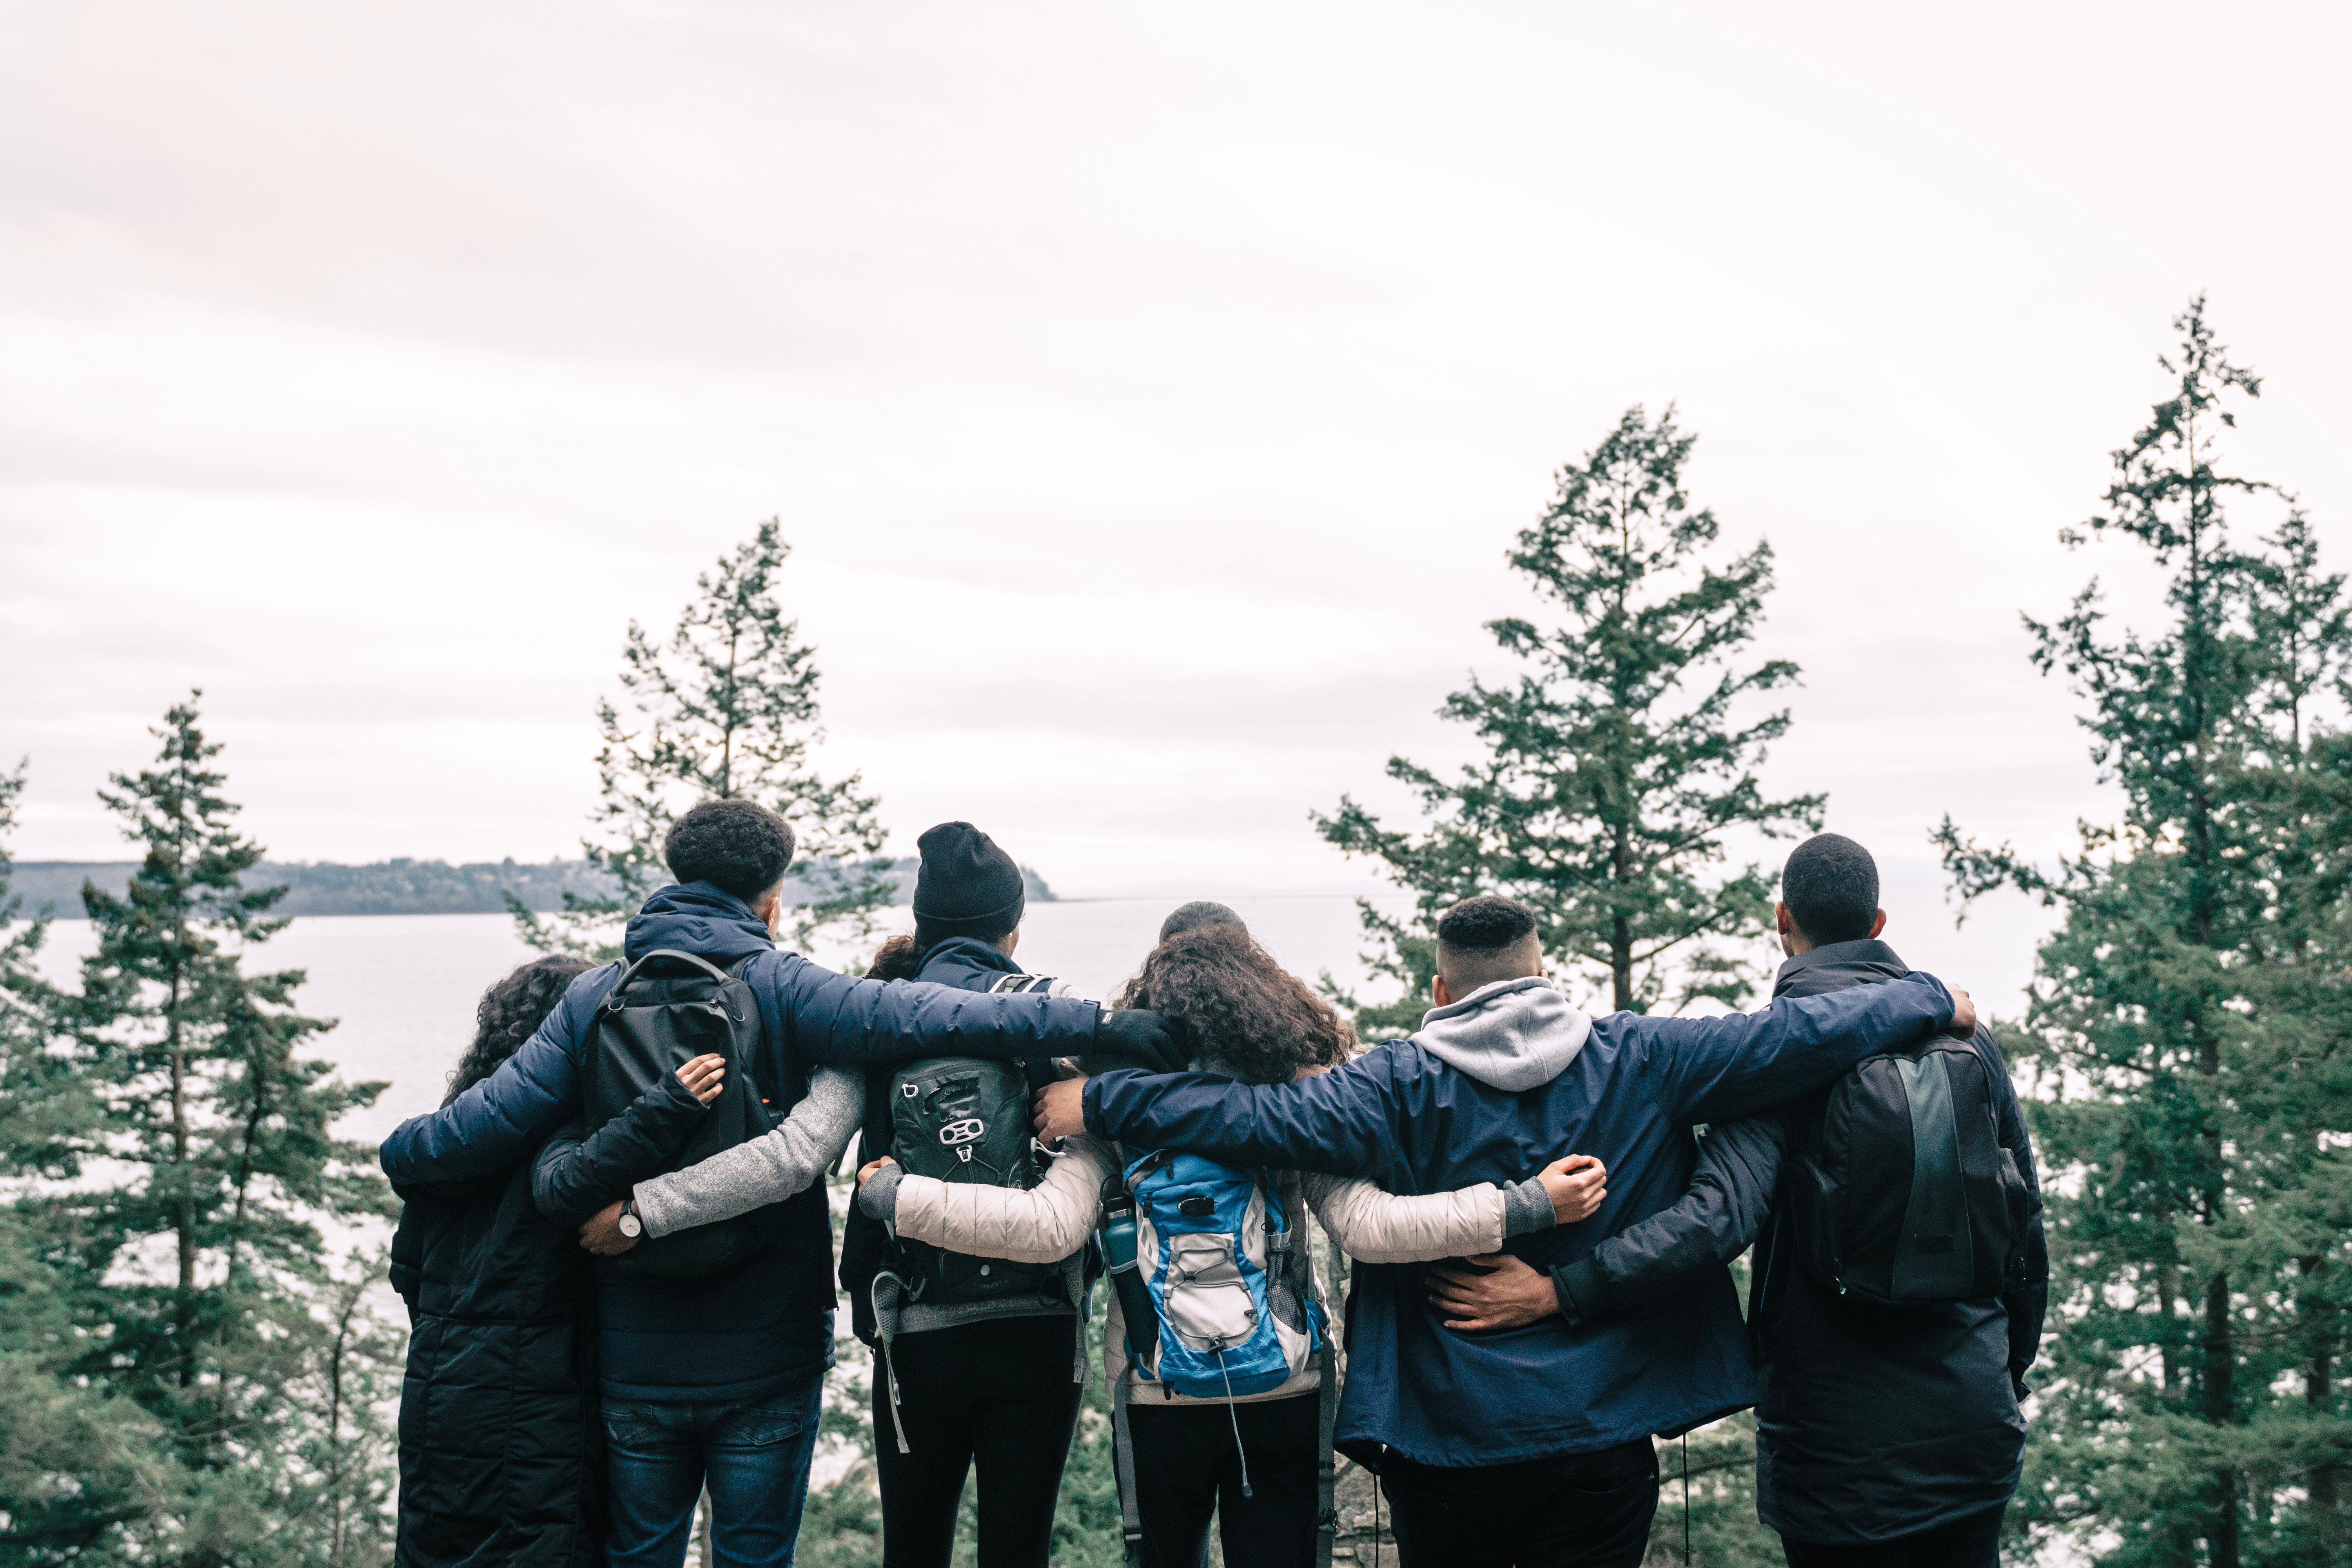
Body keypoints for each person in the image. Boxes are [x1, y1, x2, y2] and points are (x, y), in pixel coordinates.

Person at [1038, 893, 1978, 1568]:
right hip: (1603, 1431)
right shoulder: (1645, 1056)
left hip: (1447, 1439)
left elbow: (1248, 1118)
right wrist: (1926, 997)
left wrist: (1107, 1094)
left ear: (1441, 990)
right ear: (1544, 977)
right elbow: (1796, 1037)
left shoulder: (1390, 1086)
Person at [378, 799, 1183, 1568]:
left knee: (639, 1554)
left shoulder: (593, 995)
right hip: (769, 1351)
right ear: (772, 902)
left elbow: (468, 1134)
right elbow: (932, 1013)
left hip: (637, 1354)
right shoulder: (786, 986)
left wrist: (403, 1146)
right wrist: (1096, 1026)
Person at [858, 903, 1606, 1568]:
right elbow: (1371, 1229)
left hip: (1160, 1387)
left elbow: (1046, 1230)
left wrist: (896, 1195)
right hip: (1286, 1381)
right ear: (1258, 981)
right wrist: (1527, 1205)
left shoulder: (1104, 1097)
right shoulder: (1298, 1089)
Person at [1422, 838, 2048, 1568]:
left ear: (1781, 919)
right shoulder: (1969, 1041)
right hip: (1973, 1423)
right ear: (1878, 923)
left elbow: (1714, 1221)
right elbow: (2025, 1233)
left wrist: (1561, 1291)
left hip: (1834, 1439)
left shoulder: (1778, 1062)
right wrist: (2003, 1380)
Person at [388, 955, 728, 1567]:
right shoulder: (571, 1146)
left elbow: (407, 1272)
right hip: (538, 1402)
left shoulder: (449, 1144)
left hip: (439, 1400)